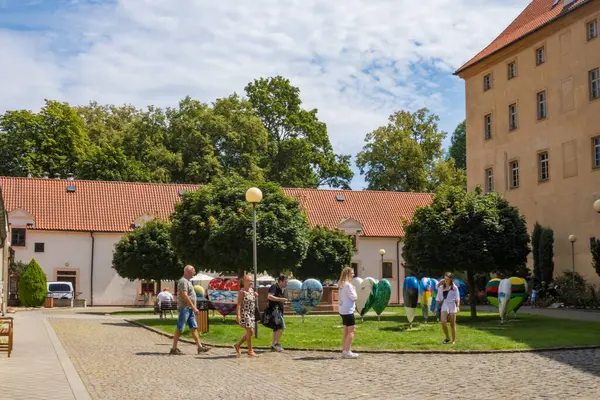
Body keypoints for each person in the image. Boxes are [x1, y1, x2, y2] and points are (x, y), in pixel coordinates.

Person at [170, 265, 210, 355]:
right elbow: (185, 295)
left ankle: (199, 347)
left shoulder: (188, 281)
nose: (194, 273)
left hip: (189, 309)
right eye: (193, 271)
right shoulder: (183, 281)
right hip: (185, 308)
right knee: (180, 327)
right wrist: (194, 307)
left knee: (193, 327)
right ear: (188, 271)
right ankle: (174, 348)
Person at [233, 274, 258, 357]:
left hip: (251, 313)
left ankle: (238, 344)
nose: (251, 282)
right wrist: (238, 315)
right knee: (249, 331)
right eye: (249, 281)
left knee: (251, 332)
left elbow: (251, 298)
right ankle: (250, 350)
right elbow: (239, 304)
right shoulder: (242, 292)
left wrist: (254, 294)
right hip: (245, 313)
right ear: (244, 282)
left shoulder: (251, 290)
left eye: (251, 281)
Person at [433, 272, 460, 344]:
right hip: (445, 304)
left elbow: (457, 298)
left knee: (452, 324)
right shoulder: (441, 287)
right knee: (443, 322)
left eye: (447, 279)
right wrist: (435, 308)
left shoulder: (454, 288)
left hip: (452, 305)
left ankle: (453, 340)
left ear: (451, 279)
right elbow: (438, 298)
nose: (446, 280)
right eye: (445, 279)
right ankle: (447, 337)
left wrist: (457, 306)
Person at [338, 267, 359, 359]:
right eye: (352, 273)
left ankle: (345, 350)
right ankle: (347, 352)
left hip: (343, 310)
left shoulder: (341, 284)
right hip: (348, 310)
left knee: (346, 331)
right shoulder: (348, 285)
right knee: (351, 331)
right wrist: (355, 291)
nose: (353, 275)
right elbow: (354, 297)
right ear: (347, 274)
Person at [266, 274, 288, 352]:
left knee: (276, 329)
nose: (286, 283)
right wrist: (281, 299)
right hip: (275, 311)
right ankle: (277, 344)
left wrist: (282, 301)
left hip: (278, 311)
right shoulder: (274, 287)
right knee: (281, 327)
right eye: (285, 282)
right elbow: (269, 296)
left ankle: (273, 345)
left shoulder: (281, 289)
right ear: (280, 281)